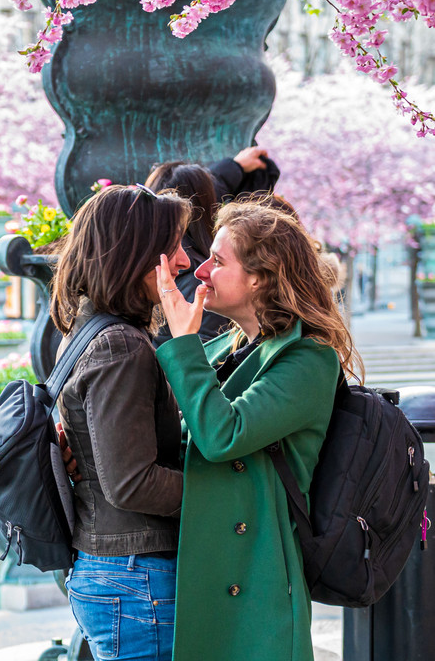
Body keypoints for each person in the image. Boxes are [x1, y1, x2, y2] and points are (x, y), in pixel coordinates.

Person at [154, 199, 359, 661]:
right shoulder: (227, 346)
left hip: (256, 580)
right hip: (206, 563)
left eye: (219, 261)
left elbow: (223, 436)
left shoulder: (308, 359)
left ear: (260, 278)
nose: (201, 270)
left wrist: (183, 342)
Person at [51, 184, 198, 661]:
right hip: (136, 577)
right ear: (136, 254)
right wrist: (225, 495)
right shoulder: (122, 346)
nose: (184, 262)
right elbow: (131, 483)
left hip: (116, 569)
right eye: (173, 246)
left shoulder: (89, 332)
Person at [146, 145, 280, 344]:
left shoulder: (155, 266)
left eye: (217, 260)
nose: (202, 271)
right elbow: (206, 368)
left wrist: (233, 168)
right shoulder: (204, 287)